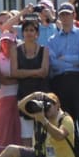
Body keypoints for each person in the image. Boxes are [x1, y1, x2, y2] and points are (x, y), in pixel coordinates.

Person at [46, 2, 79, 157]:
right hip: (60, 81)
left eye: (68, 14)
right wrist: (74, 60)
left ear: (74, 16)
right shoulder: (53, 39)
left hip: (78, 79)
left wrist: (65, 59)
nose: (65, 17)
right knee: (66, 119)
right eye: (62, 15)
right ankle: (74, 156)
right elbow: (53, 62)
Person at [10, 16, 49, 147]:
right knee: (26, 132)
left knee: (41, 129)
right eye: (26, 30)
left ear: (37, 33)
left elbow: (44, 72)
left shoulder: (44, 50)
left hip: (41, 93)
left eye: (32, 30)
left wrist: (25, 73)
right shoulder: (15, 50)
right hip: (24, 94)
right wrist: (35, 72)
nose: (29, 33)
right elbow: (14, 72)